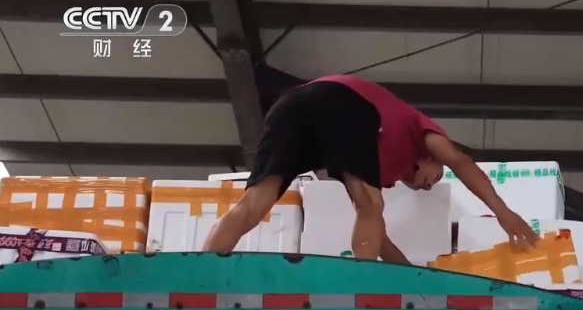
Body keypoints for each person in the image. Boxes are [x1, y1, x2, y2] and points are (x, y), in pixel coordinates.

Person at [202, 75, 538, 260]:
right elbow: (461, 161)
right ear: (429, 160)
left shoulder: (379, 163)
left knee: (254, 202)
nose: (426, 185)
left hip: (291, 105)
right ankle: (359, 282)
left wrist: (410, 278)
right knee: (370, 206)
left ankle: (203, 267)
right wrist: (504, 214)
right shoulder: (423, 136)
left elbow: (379, 239)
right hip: (343, 101)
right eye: (434, 179)